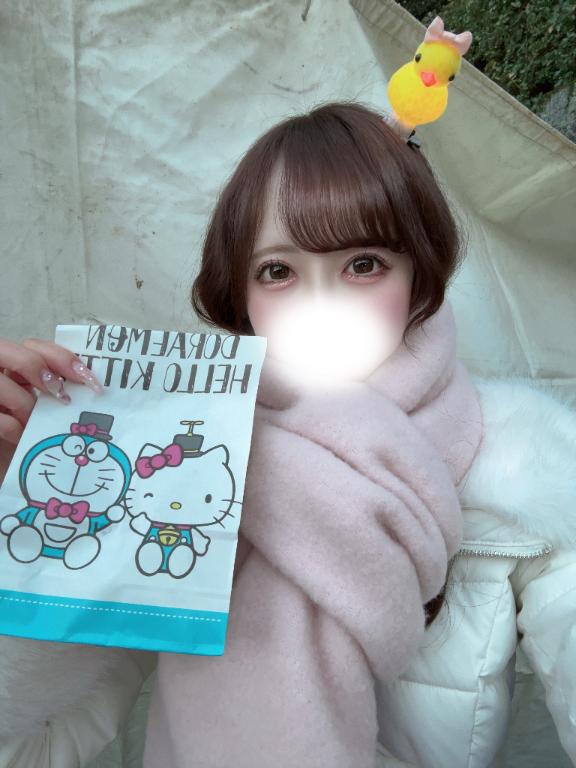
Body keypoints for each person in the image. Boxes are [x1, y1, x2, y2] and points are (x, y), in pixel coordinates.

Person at [0, 101, 575, 768]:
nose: (321, 304)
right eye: (278, 271)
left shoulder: (525, 464)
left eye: (364, 263)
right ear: (240, 295)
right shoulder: (178, 454)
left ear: (419, 270)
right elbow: (33, 740)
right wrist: (24, 511)